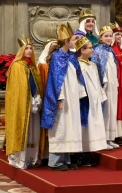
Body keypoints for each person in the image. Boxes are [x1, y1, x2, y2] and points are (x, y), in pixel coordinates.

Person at [41, 23, 87, 171]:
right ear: (67, 41)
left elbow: (77, 76)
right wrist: (59, 98)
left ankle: (66, 159)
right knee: (60, 127)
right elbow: (55, 79)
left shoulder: (71, 57)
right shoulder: (56, 57)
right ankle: (55, 161)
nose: (76, 41)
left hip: (73, 97)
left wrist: (81, 95)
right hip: (62, 98)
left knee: (70, 127)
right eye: (74, 39)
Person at [5, 35, 43, 169]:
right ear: (21, 50)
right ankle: (20, 159)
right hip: (22, 106)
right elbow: (17, 89)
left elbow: (36, 85)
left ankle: (31, 158)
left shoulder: (33, 67)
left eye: (30, 48)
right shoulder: (16, 66)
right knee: (24, 131)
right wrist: (27, 100)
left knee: (33, 132)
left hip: (34, 105)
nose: (29, 51)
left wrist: (37, 97)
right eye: (26, 48)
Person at [75, 37, 108, 163]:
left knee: (94, 126)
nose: (92, 50)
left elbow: (96, 83)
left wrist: (100, 96)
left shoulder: (92, 65)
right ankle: (81, 154)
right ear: (82, 50)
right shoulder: (78, 65)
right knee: (85, 127)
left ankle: (90, 152)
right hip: (84, 101)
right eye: (89, 48)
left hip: (94, 101)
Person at [91, 25, 120, 149]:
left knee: (112, 110)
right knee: (106, 111)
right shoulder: (97, 51)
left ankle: (110, 137)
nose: (108, 38)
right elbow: (96, 68)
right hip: (104, 86)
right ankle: (103, 138)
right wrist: (102, 83)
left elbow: (114, 67)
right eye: (106, 36)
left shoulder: (111, 51)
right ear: (100, 38)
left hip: (113, 85)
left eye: (110, 36)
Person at [111, 23, 122, 145]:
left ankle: (120, 133)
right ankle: (113, 134)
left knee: (121, 105)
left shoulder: (121, 49)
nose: (119, 37)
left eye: (120, 35)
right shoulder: (111, 50)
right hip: (115, 81)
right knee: (115, 106)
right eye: (117, 34)